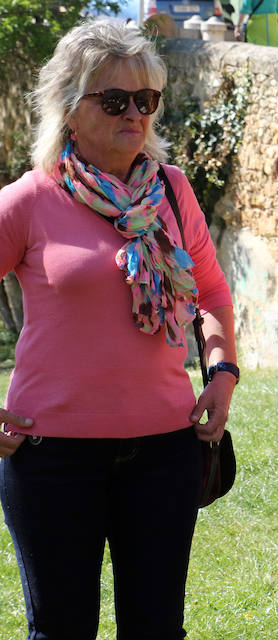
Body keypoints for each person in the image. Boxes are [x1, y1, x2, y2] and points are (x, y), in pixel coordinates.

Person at [0, 19, 238, 639]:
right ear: (69, 109)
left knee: (157, 629)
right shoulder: (28, 200)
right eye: (114, 100)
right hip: (51, 459)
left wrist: (223, 372)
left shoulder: (173, 190)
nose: (135, 113)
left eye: (146, 100)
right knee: (61, 631)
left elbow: (209, 291)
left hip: (165, 453)